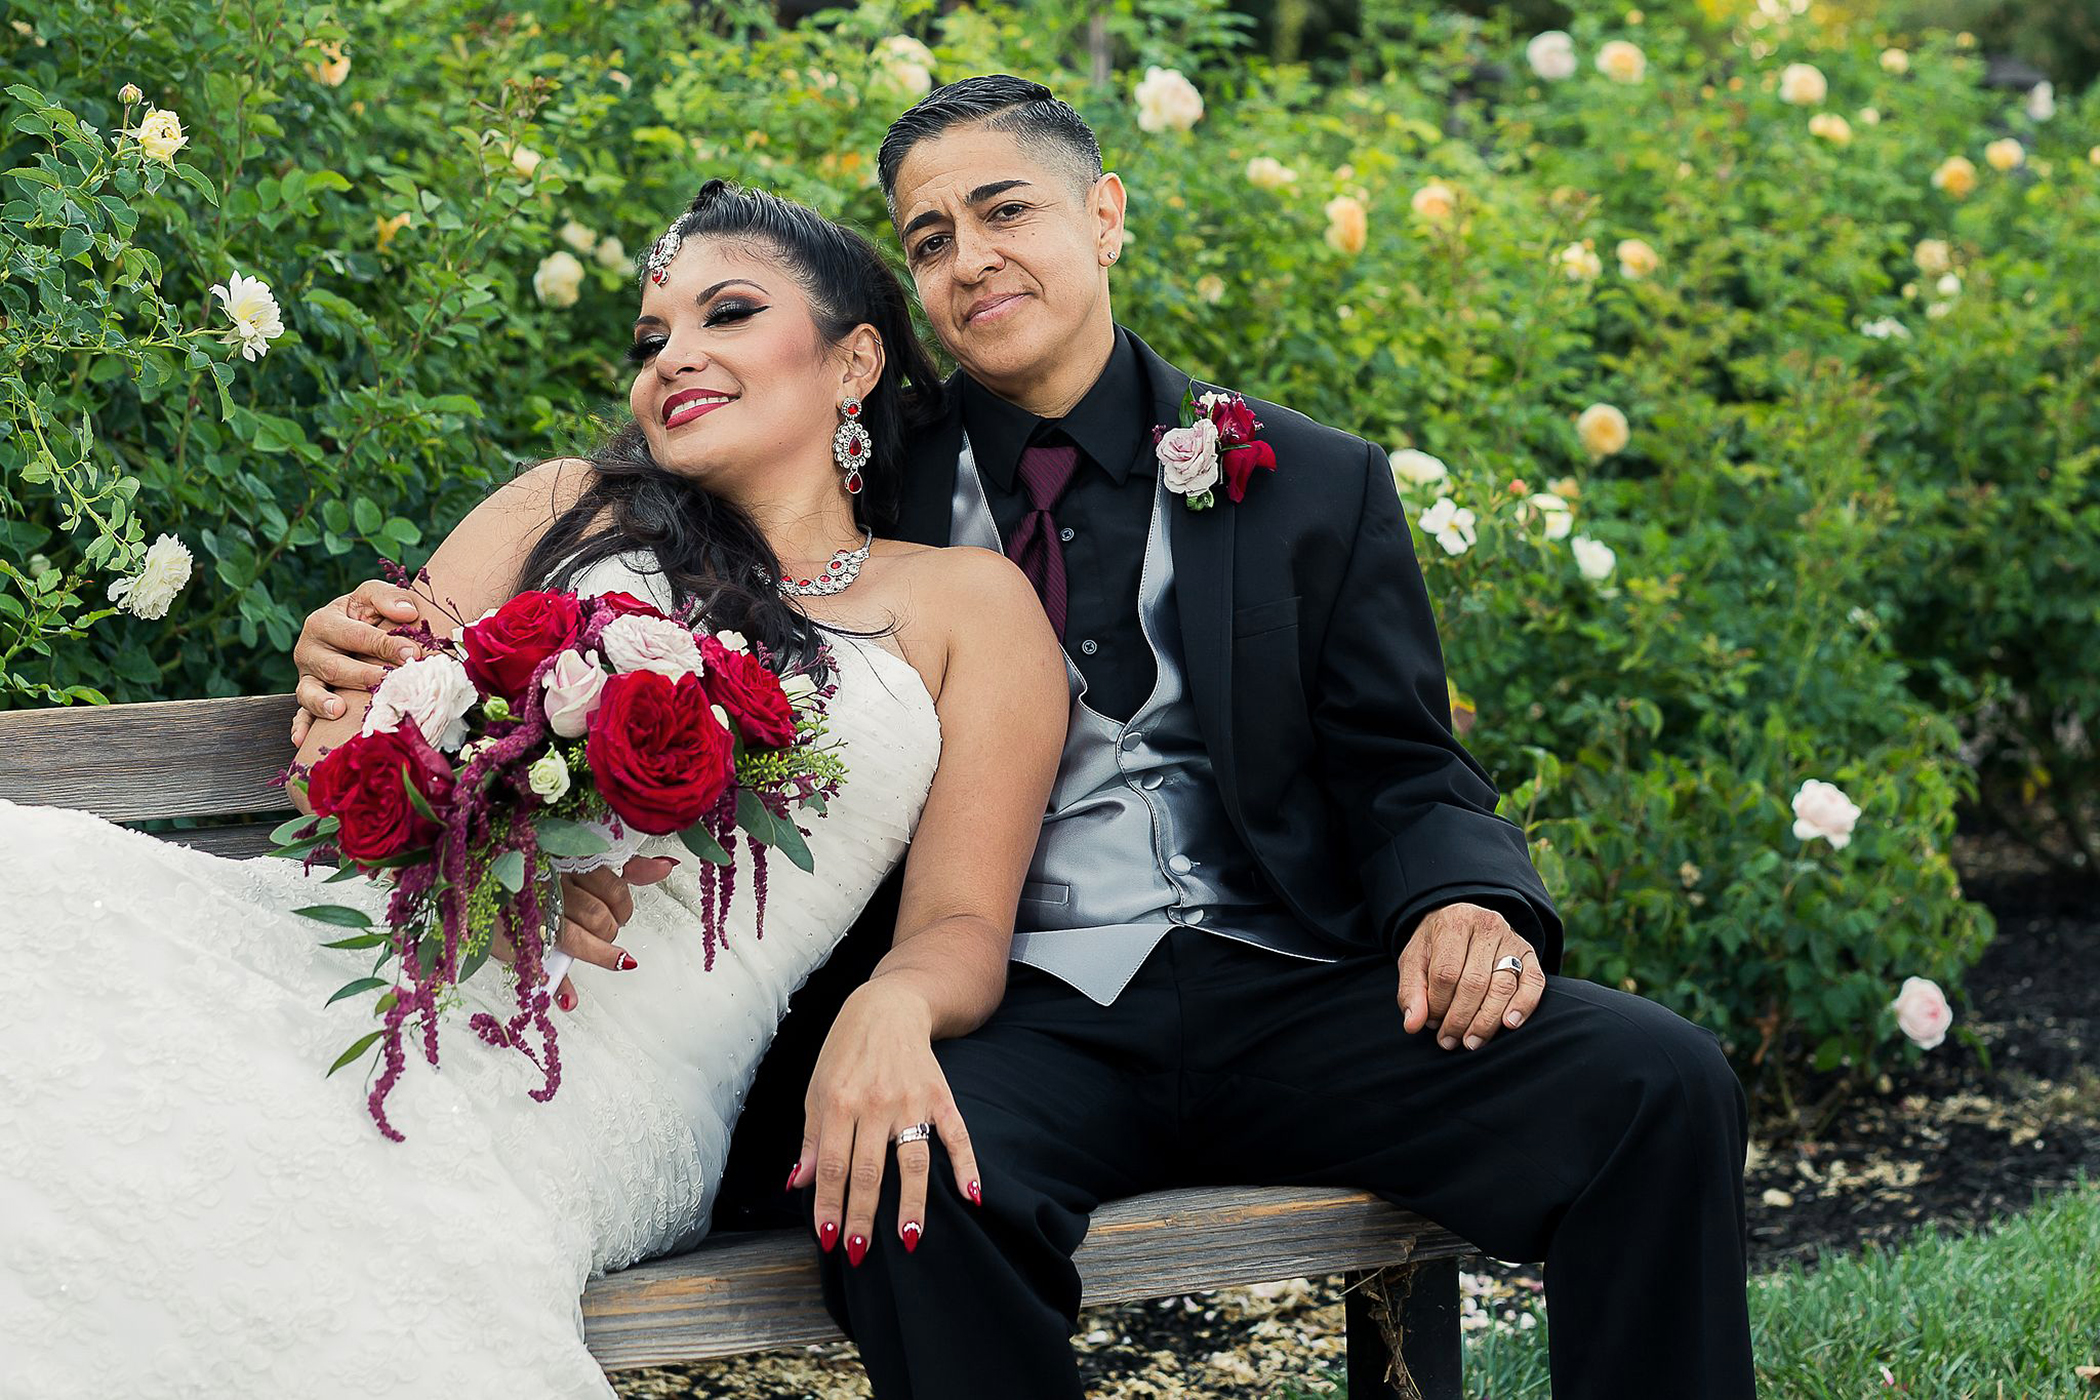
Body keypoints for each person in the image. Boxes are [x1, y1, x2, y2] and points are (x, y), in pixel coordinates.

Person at [296, 77, 1758, 1400]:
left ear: (1104, 216)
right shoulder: (852, 477)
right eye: (929, 238)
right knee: (905, 1188)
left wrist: (1466, 895)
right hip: (1023, 1013)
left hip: (1287, 981)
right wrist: (379, 653)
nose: (970, 257)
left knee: (1658, 1081)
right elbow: (623, 562)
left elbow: (1404, 762)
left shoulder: (1310, 480)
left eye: (1006, 210)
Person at [0, 179, 1067, 1399]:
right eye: (652, 338)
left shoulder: (967, 606)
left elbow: (962, 925)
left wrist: (894, 1004)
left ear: (854, 359)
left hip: (605, 1080)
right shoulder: (564, 508)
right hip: (377, 964)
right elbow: (339, 778)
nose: (676, 357)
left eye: (727, 313)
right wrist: (360, 698)